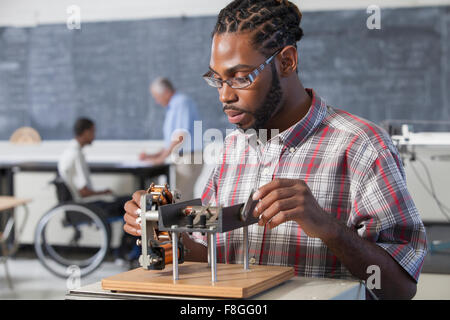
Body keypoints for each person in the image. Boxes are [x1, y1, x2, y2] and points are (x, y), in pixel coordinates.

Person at [123, 0, 427, 299]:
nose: (225, 95)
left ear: (286, 61)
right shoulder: (232, 148)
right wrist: (162, 227)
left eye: (241, 77)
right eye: (217, 79)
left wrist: (327, 228)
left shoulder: (362, 146)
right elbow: (212, 257)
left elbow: (400, 288)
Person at [58, 117, 135, 262]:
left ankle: (126, 251)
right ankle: (126, 252)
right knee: (132, 205)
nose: (94, 135)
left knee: (129, 202)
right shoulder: (76, 155)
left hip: (80, 203)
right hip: (85, 205)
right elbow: (83, 192)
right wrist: (103, 192)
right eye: (93, 132)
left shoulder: (69, 151)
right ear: (86, 132)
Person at [140, 77, 203, 200]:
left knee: (181, 199)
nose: (157, 101)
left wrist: (161, 158)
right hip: (184, 157)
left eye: (157, 97)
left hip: (189, 157)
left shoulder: (180, 103)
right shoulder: (173, 106)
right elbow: (171, 141)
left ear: (166, 92)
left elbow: (180, 136)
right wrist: (154, 156)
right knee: (186, 198)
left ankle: (188, 220)